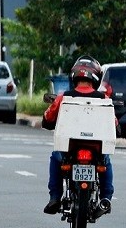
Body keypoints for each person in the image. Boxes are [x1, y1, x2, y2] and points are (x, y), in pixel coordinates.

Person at [40, 56, 114, 215]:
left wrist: (47, 120)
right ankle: (106, 199)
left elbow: (48, 118)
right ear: (96, 78)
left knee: (55, 158)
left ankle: (55, 197)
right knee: (106, 162)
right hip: (96, 150)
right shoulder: (104, 99)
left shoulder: (64, 97)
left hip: (69, 148)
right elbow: (113, 123)